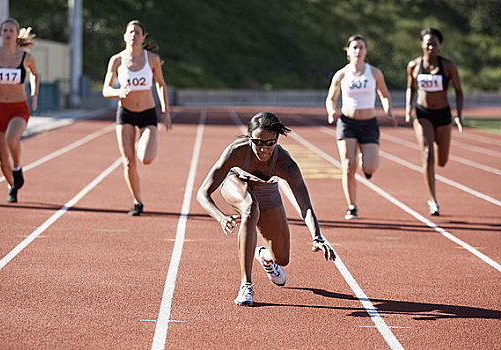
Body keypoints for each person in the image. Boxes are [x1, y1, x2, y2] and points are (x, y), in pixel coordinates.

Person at [197, 112, 336, 306]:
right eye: (258, 142)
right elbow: (202, 193)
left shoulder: (285, 164)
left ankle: (263, 255)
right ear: (249, 137)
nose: (263, 149)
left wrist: (317, 236)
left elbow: (305, 206)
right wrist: (220, 217)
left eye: (270, 143)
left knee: (282, 258)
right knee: (250, 208)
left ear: (277, 141)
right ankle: (246, 285)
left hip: (266, 189)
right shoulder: (236, 152)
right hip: (235, 182)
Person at [102, 20, 172, 216]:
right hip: (125, 114)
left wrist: (165, 111)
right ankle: (137, 201)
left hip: (148, 113)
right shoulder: (116, 60)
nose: (134, 35)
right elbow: (105, 89)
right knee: (128, 162)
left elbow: (160, 84)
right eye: (130, 32)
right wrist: (118, 92)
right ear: (125, 36)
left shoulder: (152, 59)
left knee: (146, 158)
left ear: (143, 37)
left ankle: (145, 139)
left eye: (137, 32)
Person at [325, 34, 397, 220]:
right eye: (354, 47)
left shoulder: (374, 73)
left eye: (361, 47)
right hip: (347, 123)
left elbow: (385, 95)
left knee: (371, 167)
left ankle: (365, 163)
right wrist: (331, 111)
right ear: (348, 51)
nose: (358, 51)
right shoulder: (341, 74)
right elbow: (331, 98)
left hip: (369, 124)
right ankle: (352, 206)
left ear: (366, 51)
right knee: (348, 166)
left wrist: (388, 112)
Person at [0, 18, 39, 203]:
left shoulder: (25, 57)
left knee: (11, 139)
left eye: (11, 30)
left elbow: (36, 74)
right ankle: (12, 185)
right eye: (4, 30)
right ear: (0, 33)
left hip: (18, 107)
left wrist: (34, 93)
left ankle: (17, 166)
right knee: (0, 155)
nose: (7, 33)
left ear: (16, 34)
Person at [406, 28, 463, 216]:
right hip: (423, 114)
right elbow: (410, 88)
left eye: (434, 44)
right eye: (428, 43)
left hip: (443, 115)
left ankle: (440, 147)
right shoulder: (414, 66)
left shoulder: (448, 66)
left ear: (439, 47)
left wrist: (459, 115)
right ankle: (433, 201)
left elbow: (458, 91)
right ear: (422, 44)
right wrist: (408, 108)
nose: (431, 47)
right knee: (428, 153)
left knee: (442, 161)